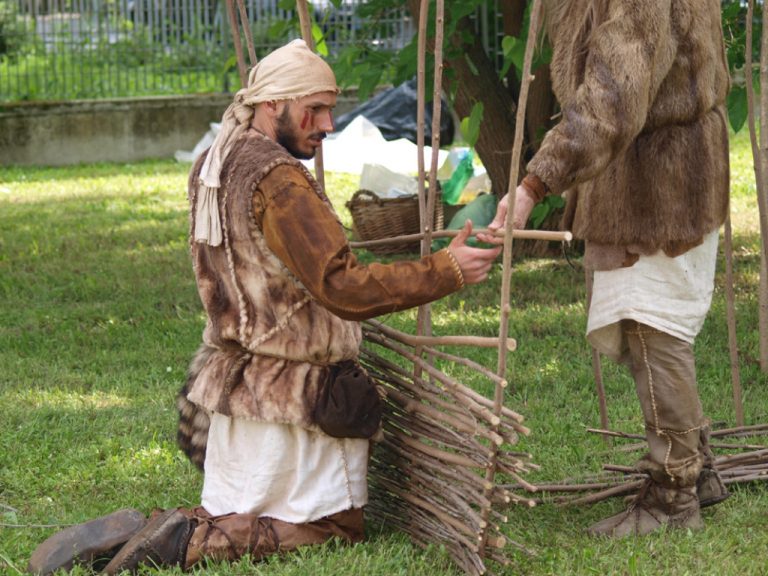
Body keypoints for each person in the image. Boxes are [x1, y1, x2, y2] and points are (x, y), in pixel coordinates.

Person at [27, 39, 501, 575]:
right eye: (314, 108)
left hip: (242, 390)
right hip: (298, 399)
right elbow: (342, 286)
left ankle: (147, 531)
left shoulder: (218, 158)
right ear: (272, 104)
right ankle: (181, 542)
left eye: (330, 107)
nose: (327, 123)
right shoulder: (278, 179)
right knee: (334, 529)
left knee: (237, 510)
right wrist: (448, 268)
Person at [479, 0, 731, 537]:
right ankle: (698, 471)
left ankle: (673, 495)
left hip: (663, 180)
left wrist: (534, 183)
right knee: (646, 324)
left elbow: (615, 91)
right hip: (643, 174)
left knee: (653, 328)